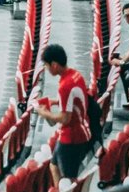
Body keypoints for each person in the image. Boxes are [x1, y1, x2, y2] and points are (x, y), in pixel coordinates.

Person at [31, 43, 94, 180]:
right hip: (82, 130)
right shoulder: (75, 75)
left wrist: (44, 113)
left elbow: (65, 118)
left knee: (68, 179)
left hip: (72, 137)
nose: (46, 69)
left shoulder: (65, 86)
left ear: (54, 64)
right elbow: (75, 101)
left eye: (47, 66)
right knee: (53, 166)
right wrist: (55, 101)